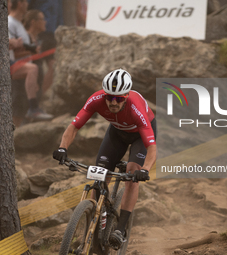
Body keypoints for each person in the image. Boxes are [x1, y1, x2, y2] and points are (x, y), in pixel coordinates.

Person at [53, 68, 157, 250]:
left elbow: (152, 147)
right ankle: (90, 227)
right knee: (99, 174)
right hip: (117, 133)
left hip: (140, 136)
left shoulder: (136, 108)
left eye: (118, 98)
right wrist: (63, 148)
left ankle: (120, 228)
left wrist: (145, 170)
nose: (113, 102)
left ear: (126, 95)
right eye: (109, 97)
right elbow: (74, 126)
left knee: (132, 174)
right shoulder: (96, 99)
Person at [8, 0, 53, 125]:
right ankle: (33, 109)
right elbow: (10, 50)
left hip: (20, 72)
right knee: (16, 112)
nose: (28, 4)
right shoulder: (10, 22)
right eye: (25, 2)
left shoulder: (19, 25)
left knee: (19, 113)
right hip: (14, 71)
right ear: (20, 3)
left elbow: (18, 51)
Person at [23, 10, 55, 94]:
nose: (45, 22)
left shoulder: (37, 39)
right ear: (33, 22)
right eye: (42, 19)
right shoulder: (25, 37)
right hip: (24, 88)